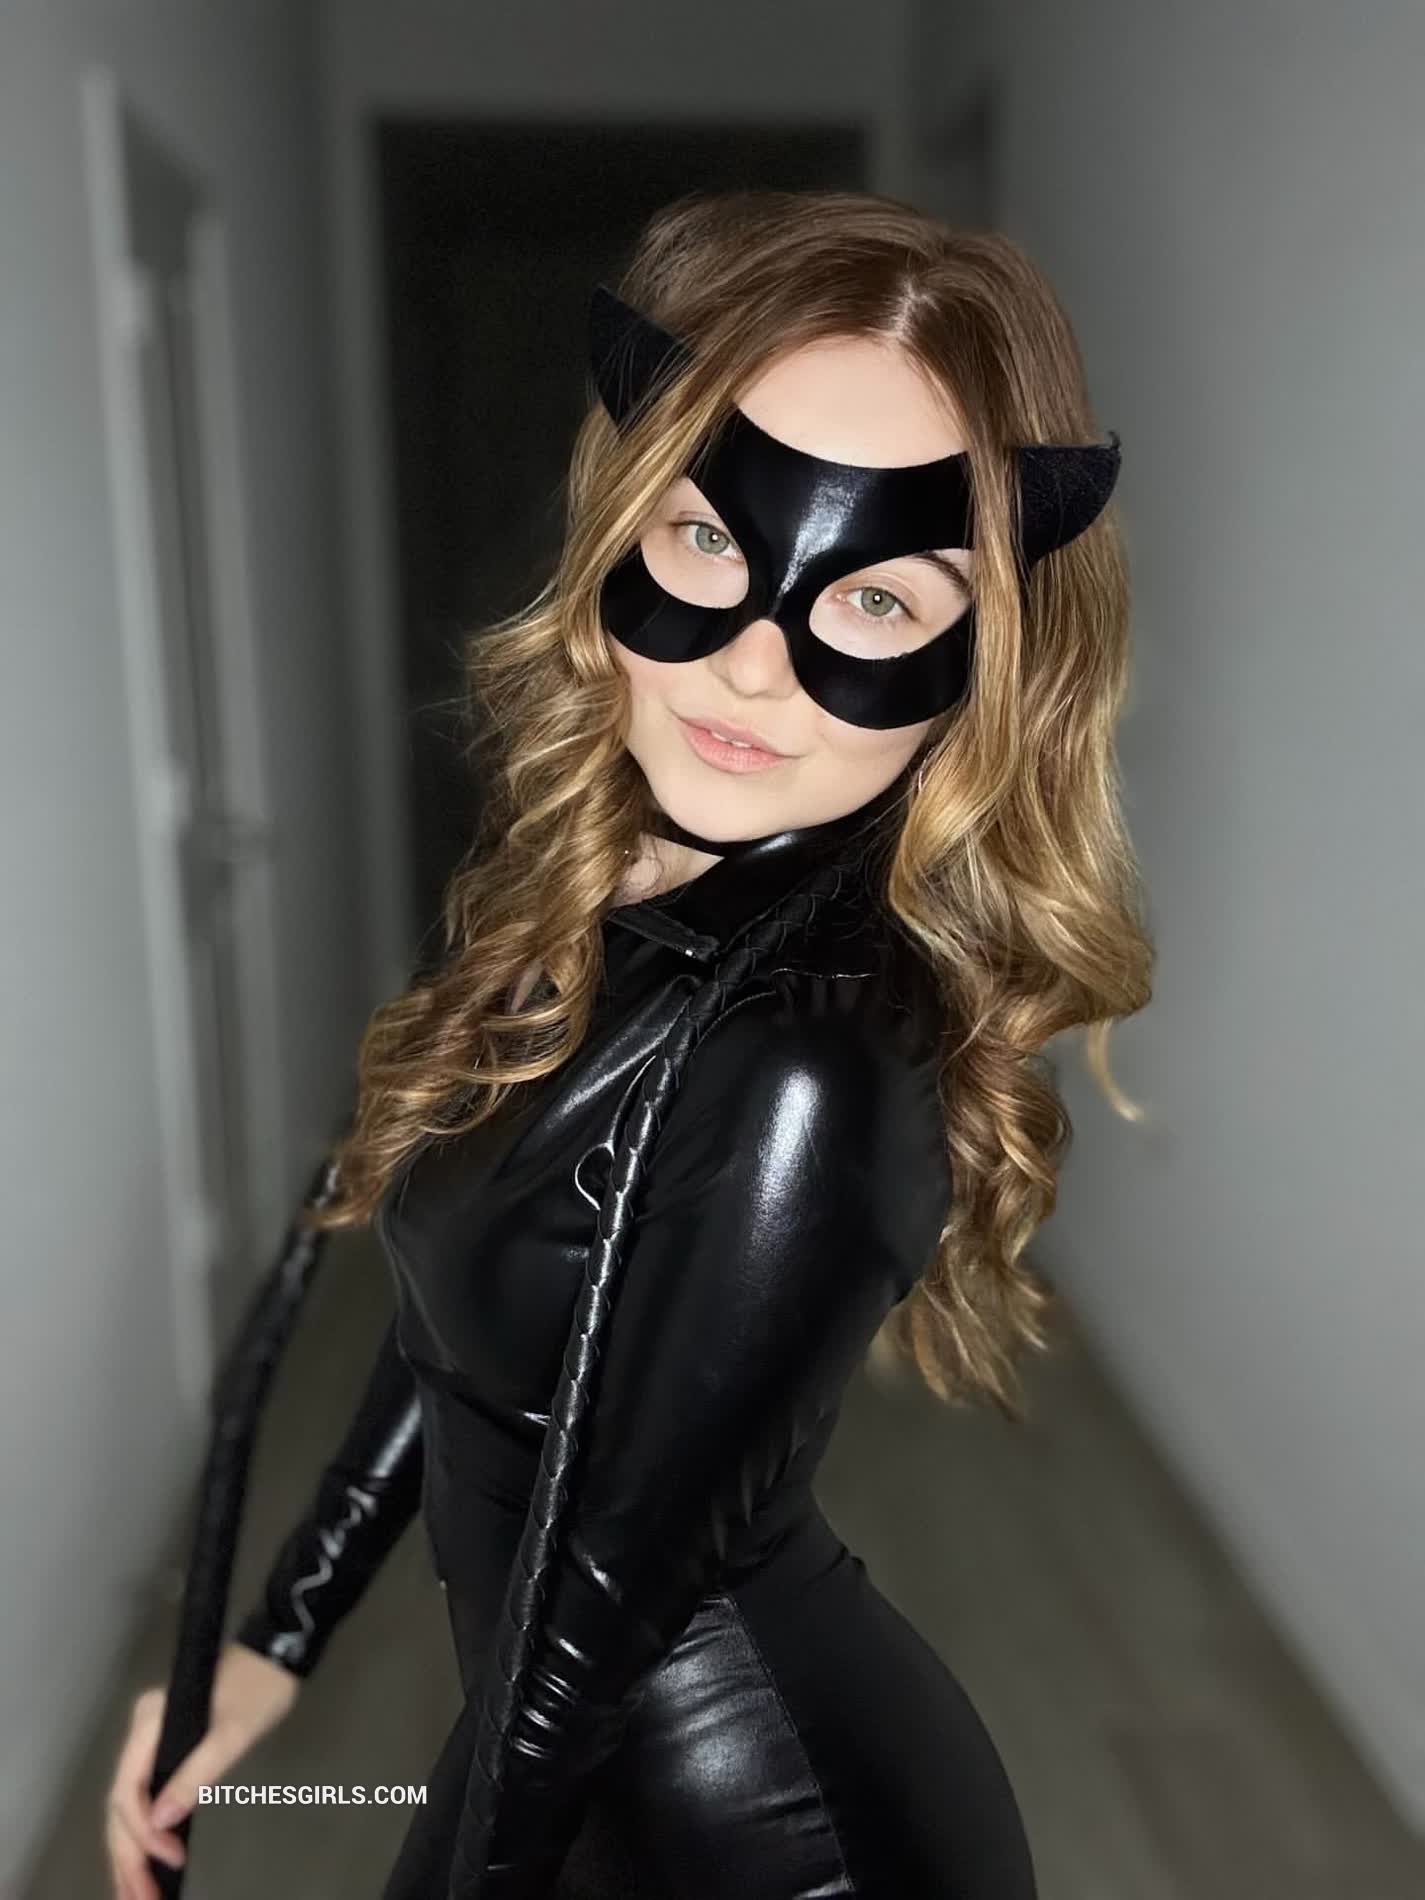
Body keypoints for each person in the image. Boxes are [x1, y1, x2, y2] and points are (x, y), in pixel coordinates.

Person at [105, 187, 1153, 1899]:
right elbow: (466, 1324)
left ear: (984, 669)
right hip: (583, 1788)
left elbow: (585, 1637)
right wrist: (273, 1644)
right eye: (709, 541)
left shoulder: (809, 1065)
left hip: (765, 1842)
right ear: (621, 529)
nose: (751, 666)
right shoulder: (600, 915)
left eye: (878, 606)